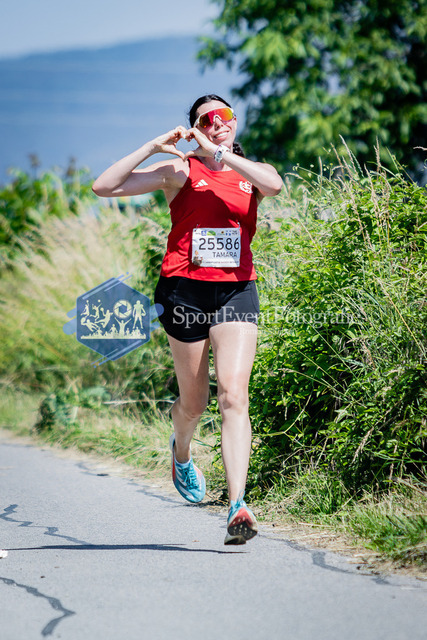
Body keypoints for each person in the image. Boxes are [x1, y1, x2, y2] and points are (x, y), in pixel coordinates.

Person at [92, 94, 282, 544]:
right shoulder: (179, 171)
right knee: (194, 403)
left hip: (236, 290)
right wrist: (153, 146)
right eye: (207, 119)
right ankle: (181, 452)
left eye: (225, 115)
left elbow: (274, 186)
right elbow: (104, 187)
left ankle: (237, 505)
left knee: (234, 395)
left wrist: (222, 156)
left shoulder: (250, 172)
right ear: (194, 128)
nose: (219, 122)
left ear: (234, 122)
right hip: (184, 291)